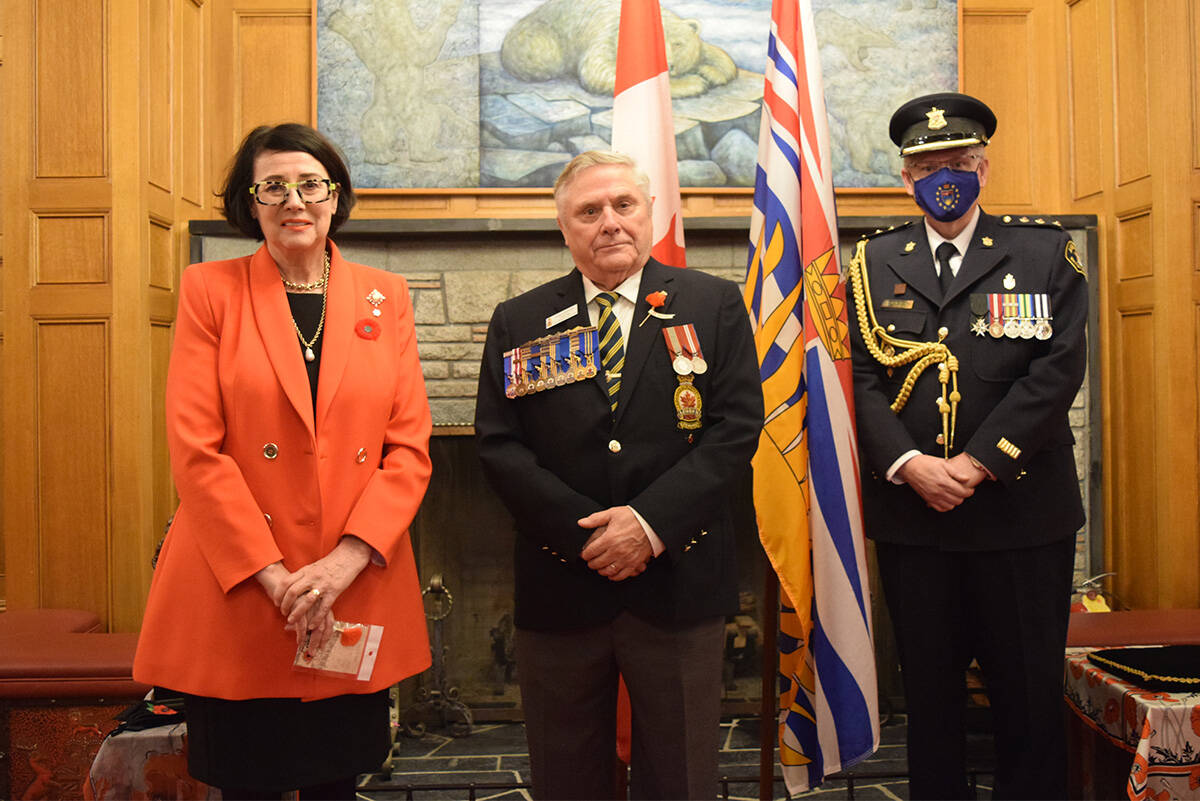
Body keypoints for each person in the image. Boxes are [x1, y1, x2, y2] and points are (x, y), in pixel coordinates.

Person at [134, 123, 433, 800]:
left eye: (309, 184)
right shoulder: (210, 289)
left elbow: (408, 448)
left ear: (335, 196)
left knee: (336, 781)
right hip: (243, 585)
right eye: (273, 186)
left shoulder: (385, 296)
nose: (293, 200)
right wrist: (277, 578)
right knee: (247, 782)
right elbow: (196, 448)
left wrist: (340, 565)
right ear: (252, 201)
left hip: (350, 583)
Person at [473, 151, 763, 800]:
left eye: (623, 205)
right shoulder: (518, 320)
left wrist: (648, 524)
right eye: (589, 211)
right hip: (562, 583)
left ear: (651, 212)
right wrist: (589, 538)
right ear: (564, 227)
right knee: (566, 777)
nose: (609, 222)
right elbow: (499, 445)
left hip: (679, 583)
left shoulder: (712, 305)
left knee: (681, 778)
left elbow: (736, 428)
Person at [847, 93, 1088, 798]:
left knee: (1028, 702)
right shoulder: (869, 262)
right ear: (903, 177)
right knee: (929, 703)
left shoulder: (1045, 253)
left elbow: (1057, 371)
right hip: (915, 521)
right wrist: (908, 463)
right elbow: (854, 378)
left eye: (956, 161)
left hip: (1022, 521)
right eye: (925, 164)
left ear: (983, 164)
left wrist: (979, 461)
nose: (942, 174)